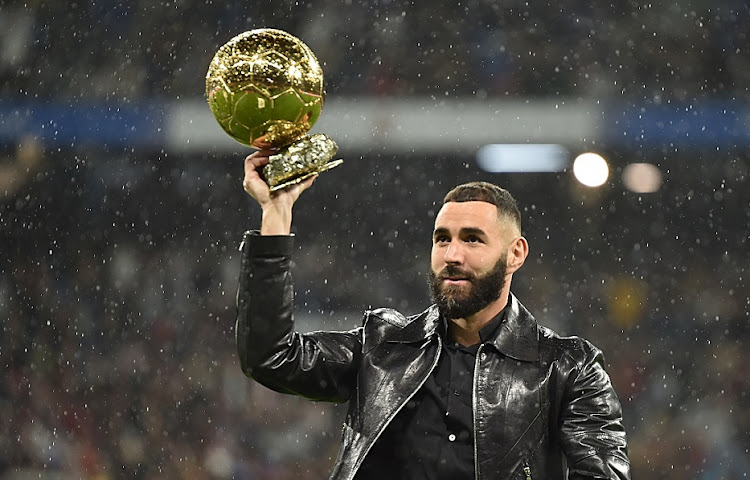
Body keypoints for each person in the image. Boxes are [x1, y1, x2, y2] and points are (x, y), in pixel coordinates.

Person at [236, 150, 631, 480]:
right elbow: (272, 357)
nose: (452, 255)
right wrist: (276, 212)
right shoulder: (383, 346)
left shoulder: (570, 369)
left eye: (472, 239)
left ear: (515, 254)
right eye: (442, 239)